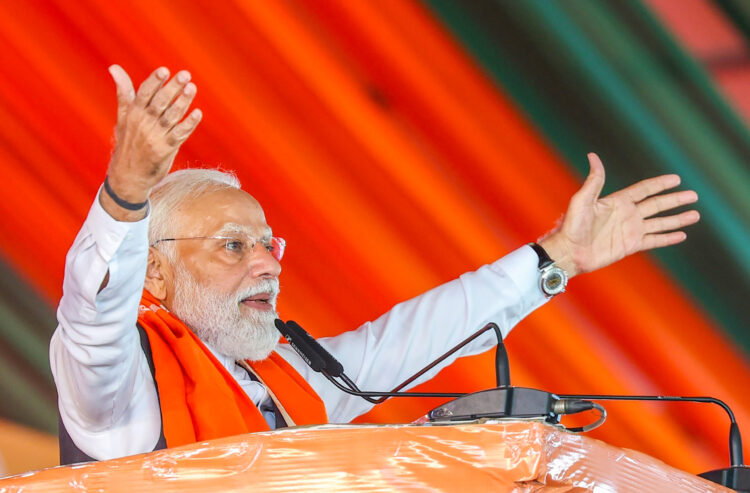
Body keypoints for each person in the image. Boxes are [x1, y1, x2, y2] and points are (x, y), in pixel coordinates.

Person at [50, 65, 700, 464]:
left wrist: (555, 257)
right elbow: (93, 315)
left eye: (269, 245)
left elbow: (416, 336)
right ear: (154, 273)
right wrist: (125, 194)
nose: (267, 265)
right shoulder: (119, 385)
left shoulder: (292, 379)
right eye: (233, 245)